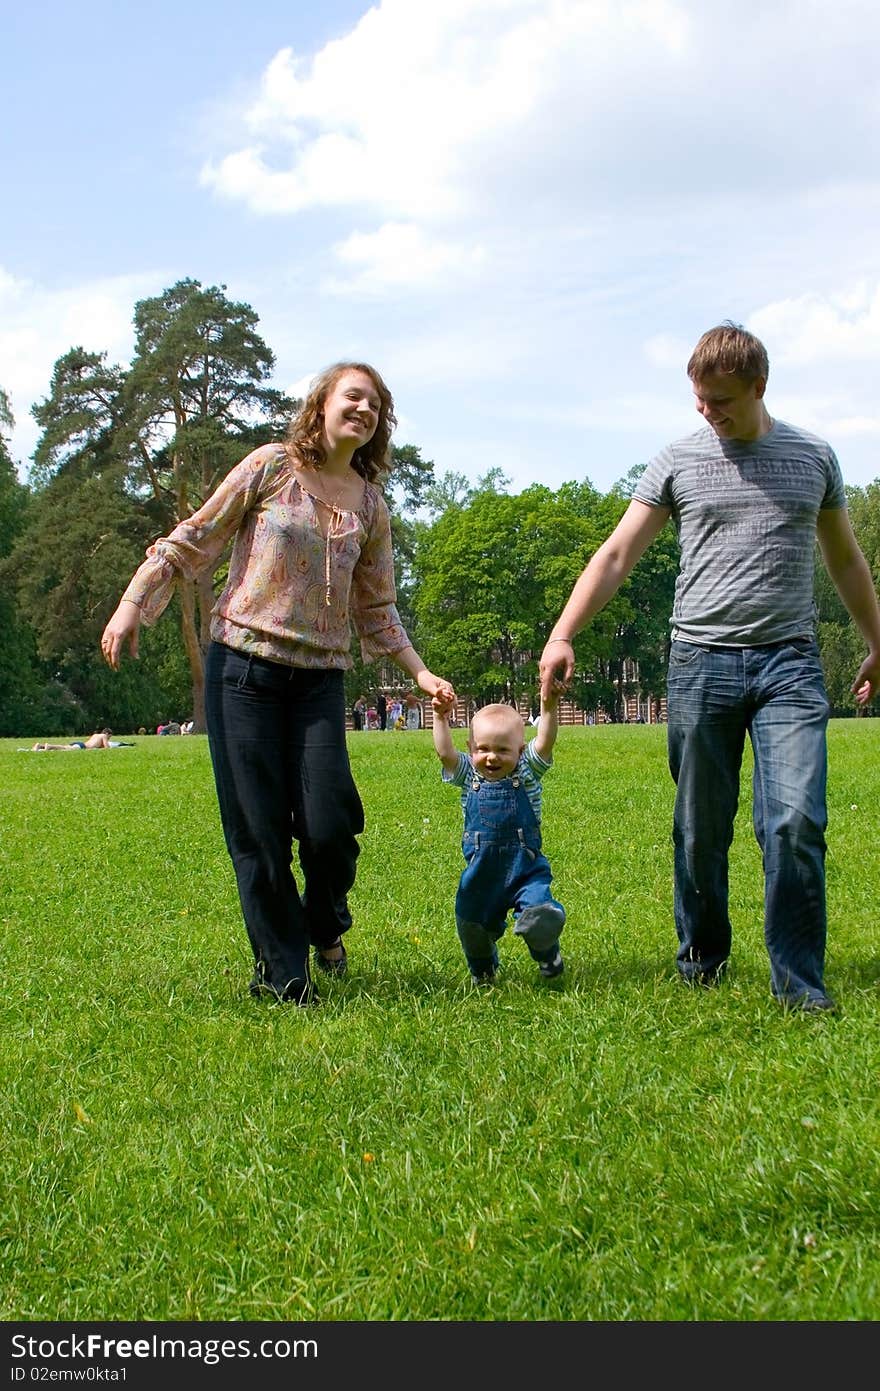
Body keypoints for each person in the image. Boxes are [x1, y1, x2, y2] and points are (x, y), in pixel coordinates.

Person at [540, 322, 880, 1015]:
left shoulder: (814, 458)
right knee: (700, 827)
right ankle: (702, 959)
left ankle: (799, 984)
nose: (707, 412)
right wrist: (563, 632)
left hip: (789, 663)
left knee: (793, 821)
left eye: (720, 400)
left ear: (758, 386)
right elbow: (615, 555)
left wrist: (878, 637)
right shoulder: (678, 460)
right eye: (698, 399)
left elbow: (844, 558)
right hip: (700, 663)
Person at [101, 361, 455, 1006]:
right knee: (259, 831)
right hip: (242, 672)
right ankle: (284, 975)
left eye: (375, 405)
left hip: (319, 680)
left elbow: (376, 607)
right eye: (353, 397)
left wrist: (421, 672)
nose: (364, 410)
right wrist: (134, 601)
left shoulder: (370, 505)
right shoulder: (269, 467)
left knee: (330, 825)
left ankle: (325, 923)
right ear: (321, 403)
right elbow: (196, 538)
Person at [431, 690, 566, 986]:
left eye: (503, 750)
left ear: (520, 750)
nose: (491, 757)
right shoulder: (469, 775)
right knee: (471, 923)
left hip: (525, 869)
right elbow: (445, 753)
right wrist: (440, 717)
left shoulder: (527, 770)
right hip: (481, 873)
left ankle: (547, 953)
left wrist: (548, 706)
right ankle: (483, 970)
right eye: (483, 749)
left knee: (539, 915)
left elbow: (545, 741)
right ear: (470, 748)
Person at [32, 728, 115, 751]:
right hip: (83, 746)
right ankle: (49, 746)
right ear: (107, 734)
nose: (108, 739)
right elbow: (107, 748)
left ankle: (40, 746)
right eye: (109, 737)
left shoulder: (95, 735)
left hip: (80, 743)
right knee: (65, 748)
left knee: (63, 747)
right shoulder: (103, 736)